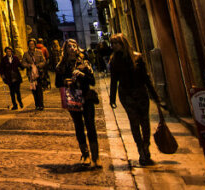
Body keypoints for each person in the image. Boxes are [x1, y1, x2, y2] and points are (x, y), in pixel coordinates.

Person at [108, 33, 161, 166]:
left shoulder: (137, 57)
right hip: (126, 95)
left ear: (122, 43)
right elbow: (114, 81)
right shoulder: (114, 61)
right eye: (112, 44)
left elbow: (146, 78)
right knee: (134, 122)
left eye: (115, 43)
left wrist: (154, 95)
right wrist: (112, 98)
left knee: (145, 121)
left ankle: (146, 146)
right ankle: (140, 150)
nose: (113, 46)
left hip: (141, 93)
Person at [56, 39, 102, 168]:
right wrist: (65, 82)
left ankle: (96, 156)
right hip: (73, 97)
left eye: (74, 46)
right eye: (69, 46)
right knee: (79, 126)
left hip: (86, 97)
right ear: (65, 50)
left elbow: (92, 81)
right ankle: (85, 154)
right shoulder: (61, 65)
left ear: (77, 48)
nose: (72, 48)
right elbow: (57, 83)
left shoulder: (84, 63)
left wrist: (82, 75)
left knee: (90, 125)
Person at [21, 37, 46, 110]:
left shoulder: (39, 52)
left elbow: (43, 61)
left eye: (32, 44)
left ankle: (41, 104)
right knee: (34, 90)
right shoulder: (26, 54)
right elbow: (23, 63)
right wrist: (29, 66)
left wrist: (38, 65)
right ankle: (37, 104)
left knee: (39, 89)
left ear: (35, 45)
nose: (31, 45)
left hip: (39, 73)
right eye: (30, 44)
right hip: (31, 75)